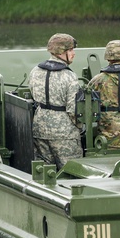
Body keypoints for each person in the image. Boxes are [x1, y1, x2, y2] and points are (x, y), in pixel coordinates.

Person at [28, 33, 82, 168]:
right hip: (64, 133)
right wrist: (80, 127)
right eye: (70, 50)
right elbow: (73, 109)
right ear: (61, 52)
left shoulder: (35, 71)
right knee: (72, 171)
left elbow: (33, 94)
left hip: (40, 129)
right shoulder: (69, 76)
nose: (74, 53)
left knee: (44, 172)